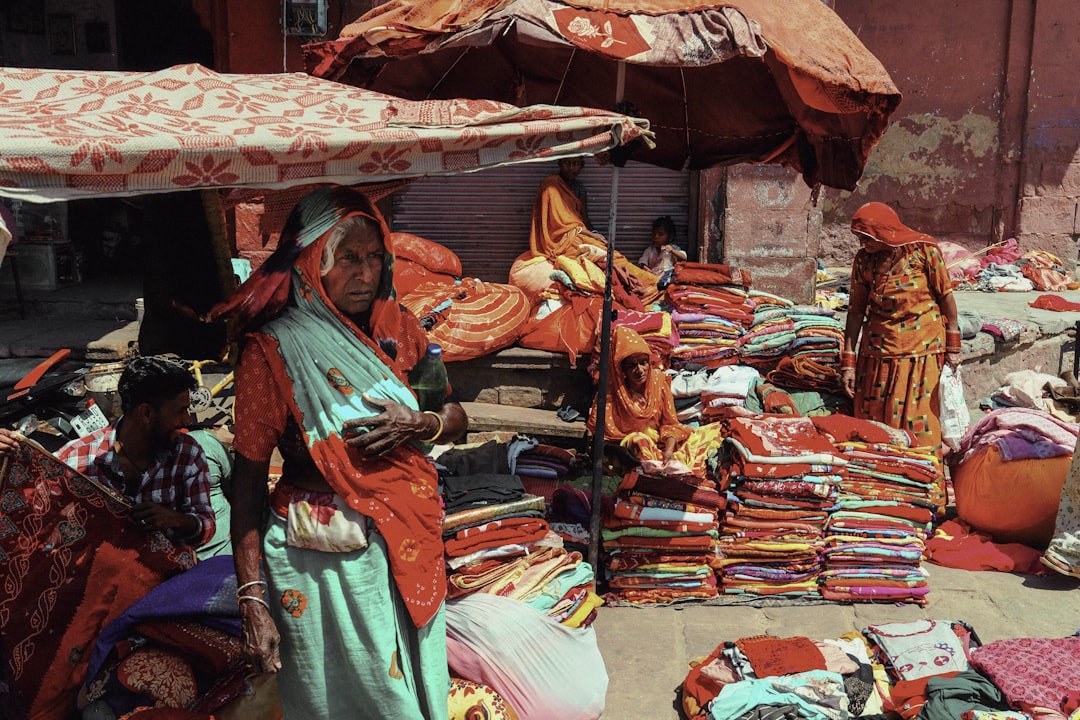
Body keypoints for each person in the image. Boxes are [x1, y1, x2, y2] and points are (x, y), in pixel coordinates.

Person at [213, 185, 467, 719]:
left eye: (375, 257)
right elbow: (247, 485)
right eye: (348, 257)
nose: (367, 273)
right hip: (319, 558)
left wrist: (420, 422)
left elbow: (457, 418)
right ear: (311, 260)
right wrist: (253, 601)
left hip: (406, 541)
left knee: (413, 687)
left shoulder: (399, 331)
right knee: (343, 699)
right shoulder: (274, 351)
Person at [0, 356, 216, 546]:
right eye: (180, 411)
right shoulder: (77, 459)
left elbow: (206, 524)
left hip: (167, 581)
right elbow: (30, 514)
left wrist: (177, 520)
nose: (187, 420)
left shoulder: (187, 453)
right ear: (146, 413)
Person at [840, 202, 960, 461]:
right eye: (859, 238)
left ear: (884, 231)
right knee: (873, 426)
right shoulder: (864, 260)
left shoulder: (923, 251)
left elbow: (946, 298)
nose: (863, 243)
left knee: (921, 424)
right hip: (876, 357)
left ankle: (924, 487)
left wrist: (953, 346)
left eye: (867, 237)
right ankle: (882, 488)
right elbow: (856, 310)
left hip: (922, 352)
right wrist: (848, 362)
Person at [529, 157, 659, 304]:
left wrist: (596, 235)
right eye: (567, 163)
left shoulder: (579, 188)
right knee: (601, 260)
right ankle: (645, 286)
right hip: (560, 239)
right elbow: (557, 222)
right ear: (559, 163)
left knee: (612, 255)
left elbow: (583, 219)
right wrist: (587, 234)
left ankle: (649, 284)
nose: (571, 168)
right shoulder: (551, 184)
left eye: (576, 163)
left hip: (579, 233)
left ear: (582, 166)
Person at [587, 325, 691, 464]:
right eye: (632, 366)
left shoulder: (659, 383)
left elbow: (670, 424)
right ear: (622, 369)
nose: (639, 370)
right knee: (639, 440)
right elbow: (599, 440)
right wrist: (620, 450)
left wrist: (669, 450)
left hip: (660, 446)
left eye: (643, 363)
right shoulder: (612, 394)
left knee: (706, 438)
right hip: (630, 452)